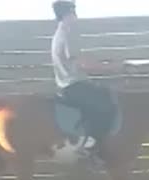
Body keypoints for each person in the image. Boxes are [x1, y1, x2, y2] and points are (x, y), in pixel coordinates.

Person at [51, 0, 120, 164]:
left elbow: (79, 60)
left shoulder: (60, 32)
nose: (76, 15)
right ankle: (90, 149)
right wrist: (112, 68)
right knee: (107, 106)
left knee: (103, 96)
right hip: (75, 85)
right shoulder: (69, 31)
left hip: (69, 85)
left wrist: (103, 63)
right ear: (69, 13)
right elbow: (83, 64)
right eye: (74, 11)